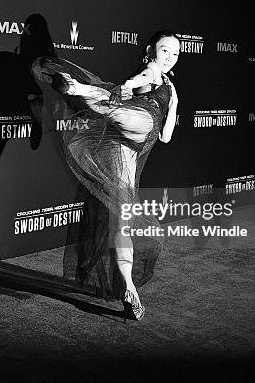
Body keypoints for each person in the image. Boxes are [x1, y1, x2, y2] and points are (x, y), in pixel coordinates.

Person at [31, 31, 180, 320]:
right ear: (150, 51)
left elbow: (166, 136)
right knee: (120, 111)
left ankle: (129, 288)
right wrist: (131, 85)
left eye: (175, 54)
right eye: (165, 51)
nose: (170, 58)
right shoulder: (151, 73)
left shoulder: (170, 88)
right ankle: (130, 289)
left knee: (122, 219)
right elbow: (141, 81)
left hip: (129, 144)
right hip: (136, 126)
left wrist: (170, 102)